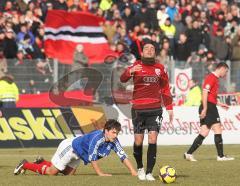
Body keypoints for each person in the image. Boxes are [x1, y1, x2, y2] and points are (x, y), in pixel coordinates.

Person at [120, 41, 173, 181]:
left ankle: (149, 172)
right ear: (142, 52)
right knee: (138, 141)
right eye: (146, 48)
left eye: (152, 49)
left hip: (155, 108)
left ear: (155, 52)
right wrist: (129, 71)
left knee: (153, 139)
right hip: (138, 109)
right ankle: (140, 168)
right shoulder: (136, 65)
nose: (149, 50)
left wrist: (169, 107)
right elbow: (122, 79)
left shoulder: (160, 68)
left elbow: (165, 89)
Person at [14, 119, 137, 176]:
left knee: (68, 175)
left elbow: (123, 155)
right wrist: (100, 173)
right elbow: (93, 158)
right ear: (106, 131)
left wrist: (132, 171)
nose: (115, 136)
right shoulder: (97, 138)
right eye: (113, 132)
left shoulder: (114, 141)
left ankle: (42, 162)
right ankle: (25, 164)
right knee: (52, 173)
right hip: (70, 148)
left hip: (79, 154)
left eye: (117, 133)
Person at [184, 62, 234, 161]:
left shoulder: (215, 79)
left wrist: (220, 104)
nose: (226, 74)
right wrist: (205, 108)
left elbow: (211, 96)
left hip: (209, 105)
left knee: (204, 132)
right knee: (218, 129)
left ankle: (188, 153)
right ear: (222, 68)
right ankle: (220, 156)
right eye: (226, 71)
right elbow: (205, 92)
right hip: (208, 107)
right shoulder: (211, 77)